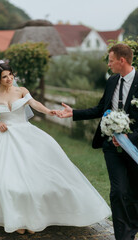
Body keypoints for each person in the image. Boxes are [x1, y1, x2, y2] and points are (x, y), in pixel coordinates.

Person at [0, 60, 111, 235]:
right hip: (5, 139)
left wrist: (49, 111)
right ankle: (17, 219)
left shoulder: (21, 91)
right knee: (7, 182)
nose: (9, 78)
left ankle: (34, 219)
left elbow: (34, 104)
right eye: (5, 76)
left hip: (26, 135)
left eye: (10, 74)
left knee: (37, 180)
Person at [56, 43, 138, 240]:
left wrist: (129, 138)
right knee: (117, 192)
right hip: (111, 147)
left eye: (111, 61)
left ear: (122, 60)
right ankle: (123, 236)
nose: (108, 65)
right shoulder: (111, 82)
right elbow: (101, 108)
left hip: (135, 147)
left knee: (134, 194)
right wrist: (73, 113)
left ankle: (132, 227)